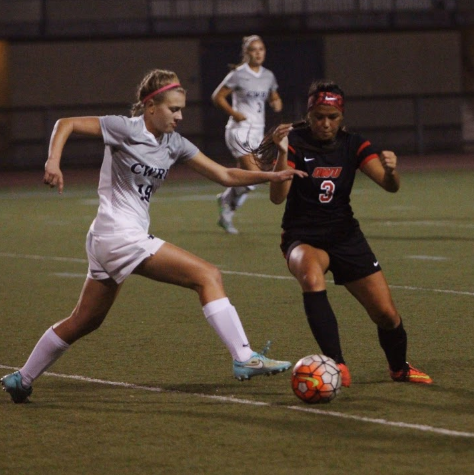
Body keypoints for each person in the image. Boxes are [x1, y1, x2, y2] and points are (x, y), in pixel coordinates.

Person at [1, 69, 307, 404]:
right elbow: (66, 123)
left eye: (181, 110)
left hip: (109, 238)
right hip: (119, 235)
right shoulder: (124, 128)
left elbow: (223, 174)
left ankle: (22, 378)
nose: (179, 116)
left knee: (85, 320)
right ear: (150, 106)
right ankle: (244, 356)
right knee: (207, 275)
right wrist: (53, 161)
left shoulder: (174, 144)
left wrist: (273, 174)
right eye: (173, 109)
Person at [258, 79, 432, 387]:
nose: (325, 123)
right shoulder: (294, 141)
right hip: (303, 236)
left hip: (345, 236)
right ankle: (336, 364)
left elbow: (389, 187)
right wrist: (283, 154)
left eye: (333, 117)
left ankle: (399, 368)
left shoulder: (353, 143)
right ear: (309, 115)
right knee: (312, 278)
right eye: (319, 117)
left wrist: (392, 171)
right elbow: (276, 197)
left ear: (342, 117)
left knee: (386, 315)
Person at [212, 34, 283, 234]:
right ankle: (227, 202)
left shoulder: (268, 75)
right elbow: (217, 97)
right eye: (254, 49)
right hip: (238, 130)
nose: (258, 53)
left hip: (257, 132)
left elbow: (274, 97)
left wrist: (276, 103)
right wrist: (235, 114)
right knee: (255, 174)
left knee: (249, 179)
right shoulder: (238, 74)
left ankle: (226, 203)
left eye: (261, 49)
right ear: (247, 53)